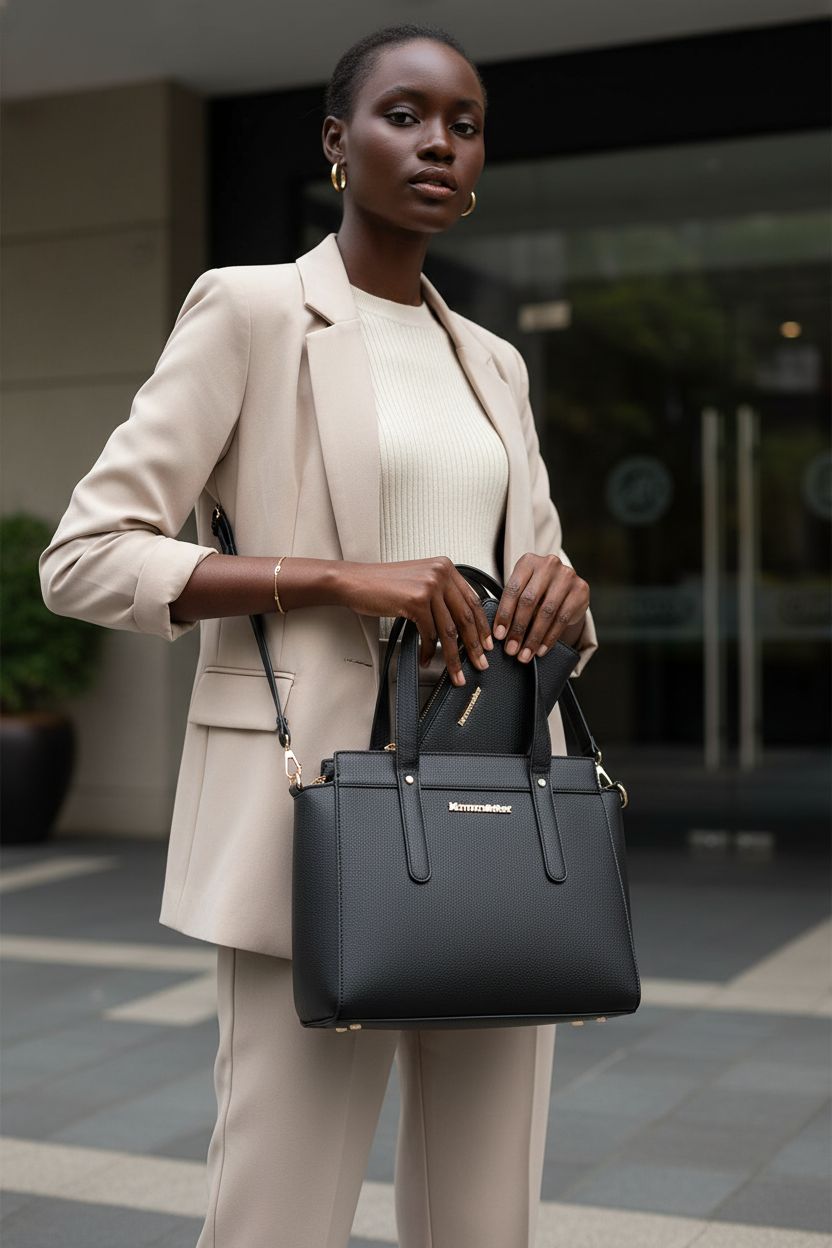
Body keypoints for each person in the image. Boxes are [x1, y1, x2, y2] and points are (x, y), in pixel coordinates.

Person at [39, 22, 599, 1248]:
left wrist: (563, 600)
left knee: (485, 1215)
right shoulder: (251, 314)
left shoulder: (494, 364)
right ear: (338, 146)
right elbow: (85, 558)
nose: (440, 143)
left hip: (499, 815)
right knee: (277, 1215)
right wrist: (339, 579)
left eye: (464, 122)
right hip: (317, 821)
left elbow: (538, 575)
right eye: (405, 116)